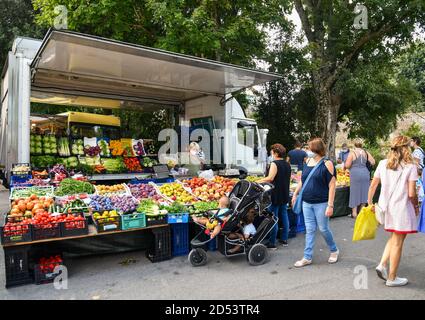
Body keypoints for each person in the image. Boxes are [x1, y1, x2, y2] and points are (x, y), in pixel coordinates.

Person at [368, 136, 419, 287]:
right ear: (406, 148)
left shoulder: (383, 163)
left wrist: (370, 203)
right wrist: (416, 206)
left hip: (386, 207)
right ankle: (392, 278)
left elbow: (373, 186)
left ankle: (382, 264)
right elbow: (411, 194)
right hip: (402, 209)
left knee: (394, 237)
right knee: (398, 242)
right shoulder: (411, 167)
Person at [291, 138, 339, 267]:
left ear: (316, 149)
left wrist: (330, 204)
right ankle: (307, 257)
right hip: (307, 202)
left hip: (321, 203)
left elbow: (332, 185)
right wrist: (295, 194)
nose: (307, 150)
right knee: (310, 230)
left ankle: (334, 250)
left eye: (309, 148)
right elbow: (303, 180)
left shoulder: (327, 163)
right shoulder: (308, 161)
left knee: (323, 229)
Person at [257, 144, 291, 249]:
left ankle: (272, 243)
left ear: (276, 153)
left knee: (273, 218)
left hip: (275, 194)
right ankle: (284, 239)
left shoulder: (274, 164)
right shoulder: (287, 164)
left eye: (272, 152)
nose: (271, 153)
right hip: (284, 193)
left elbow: (270, 178)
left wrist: (257, 181)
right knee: (284, 216)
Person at [344, 140, 375, 218]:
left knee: (355, 192)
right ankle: (361, 212)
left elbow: (347, 165)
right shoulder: (366, 152)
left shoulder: (352, 152)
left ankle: (354, 213)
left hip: (355, 174)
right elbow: (373, 162)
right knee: (364, 191)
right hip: (365, 173)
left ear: (354, 145)